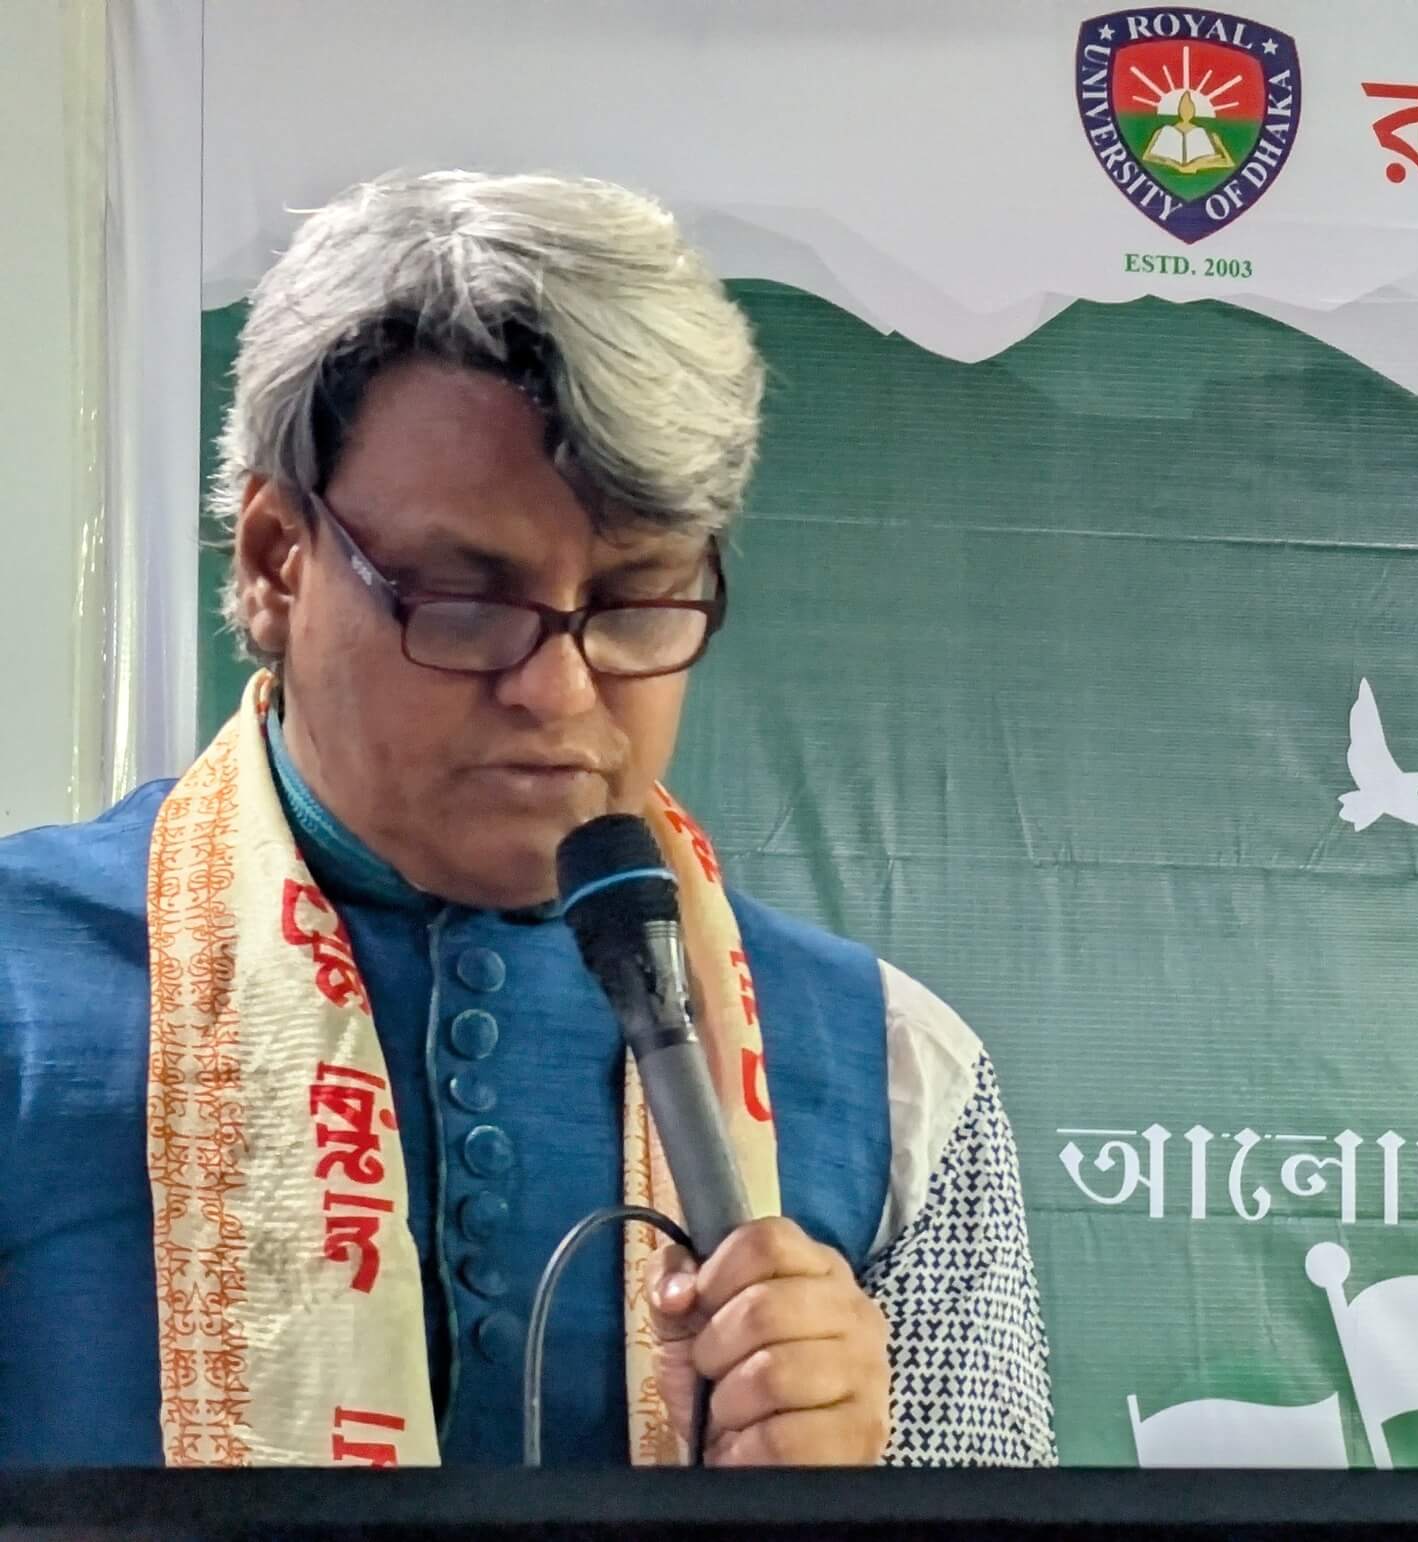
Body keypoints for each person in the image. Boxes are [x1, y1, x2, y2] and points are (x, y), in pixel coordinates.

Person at [0, 171, 1055, 1468]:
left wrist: (849, 1511)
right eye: (465, 602)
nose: (557, 692)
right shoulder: (20, 989)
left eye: (635, 602)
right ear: (277, 561)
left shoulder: (893, 1070)